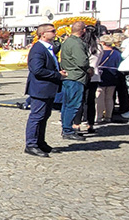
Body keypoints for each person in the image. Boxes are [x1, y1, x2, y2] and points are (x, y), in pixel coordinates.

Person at [24, 23, 63, 158]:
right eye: (52, 31)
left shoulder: (48, 48)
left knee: (44, 116)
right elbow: (37, 70)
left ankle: (40, 142)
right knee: (37, 117)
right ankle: (31, 144)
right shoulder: (38, 49)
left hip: (48, 88)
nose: (55, 33)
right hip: (40, 88)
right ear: (43, 34)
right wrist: (57, 75)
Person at [58, 21, 89, 141]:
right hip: (76, 76)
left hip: (68, 75)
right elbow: (82, 61)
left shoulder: (67, 41)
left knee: (67, 104)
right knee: (73, 105)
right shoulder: (76, 43)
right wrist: (89, 68)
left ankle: (66, 128)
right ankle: (67, 130)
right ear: (83, 30)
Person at [93, 35, 123, 123]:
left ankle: (98, 116)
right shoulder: (117, 53)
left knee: (99, 97)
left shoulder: (100, 53)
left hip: (102, 75)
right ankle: (108, 116)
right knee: (109, 97)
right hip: (113, 75)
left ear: (103, 43)